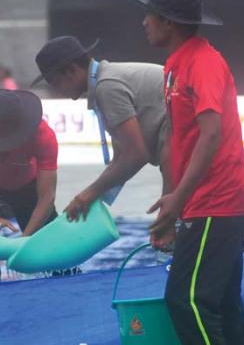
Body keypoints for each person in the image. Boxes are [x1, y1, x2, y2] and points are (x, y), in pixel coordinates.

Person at [128, 0, 244, 345]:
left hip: (218, 203)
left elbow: (212, 133)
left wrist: (179, 198)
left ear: (168, 21)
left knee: (185, 300)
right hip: (207, 202)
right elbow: (179, 140)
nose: (143, 21)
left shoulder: (201, 62)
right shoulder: (175, 64)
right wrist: (172, 203)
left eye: (150, 14)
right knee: (220, 301)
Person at [31, 36, 171, 222]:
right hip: (178, 153)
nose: (57, 91)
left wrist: (87, 195)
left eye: (56, 84)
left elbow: (136, 154)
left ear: (72, 71)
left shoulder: (107, 87)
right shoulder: (105, 80)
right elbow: (121, 157)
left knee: (176, 227)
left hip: (185, 153)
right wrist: (91, 196)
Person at [0, 89, 74, 283]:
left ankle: (64, 290)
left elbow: (46, 196)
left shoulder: (42, 135)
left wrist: (25, 238)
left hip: (26, 184)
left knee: (50, 244)